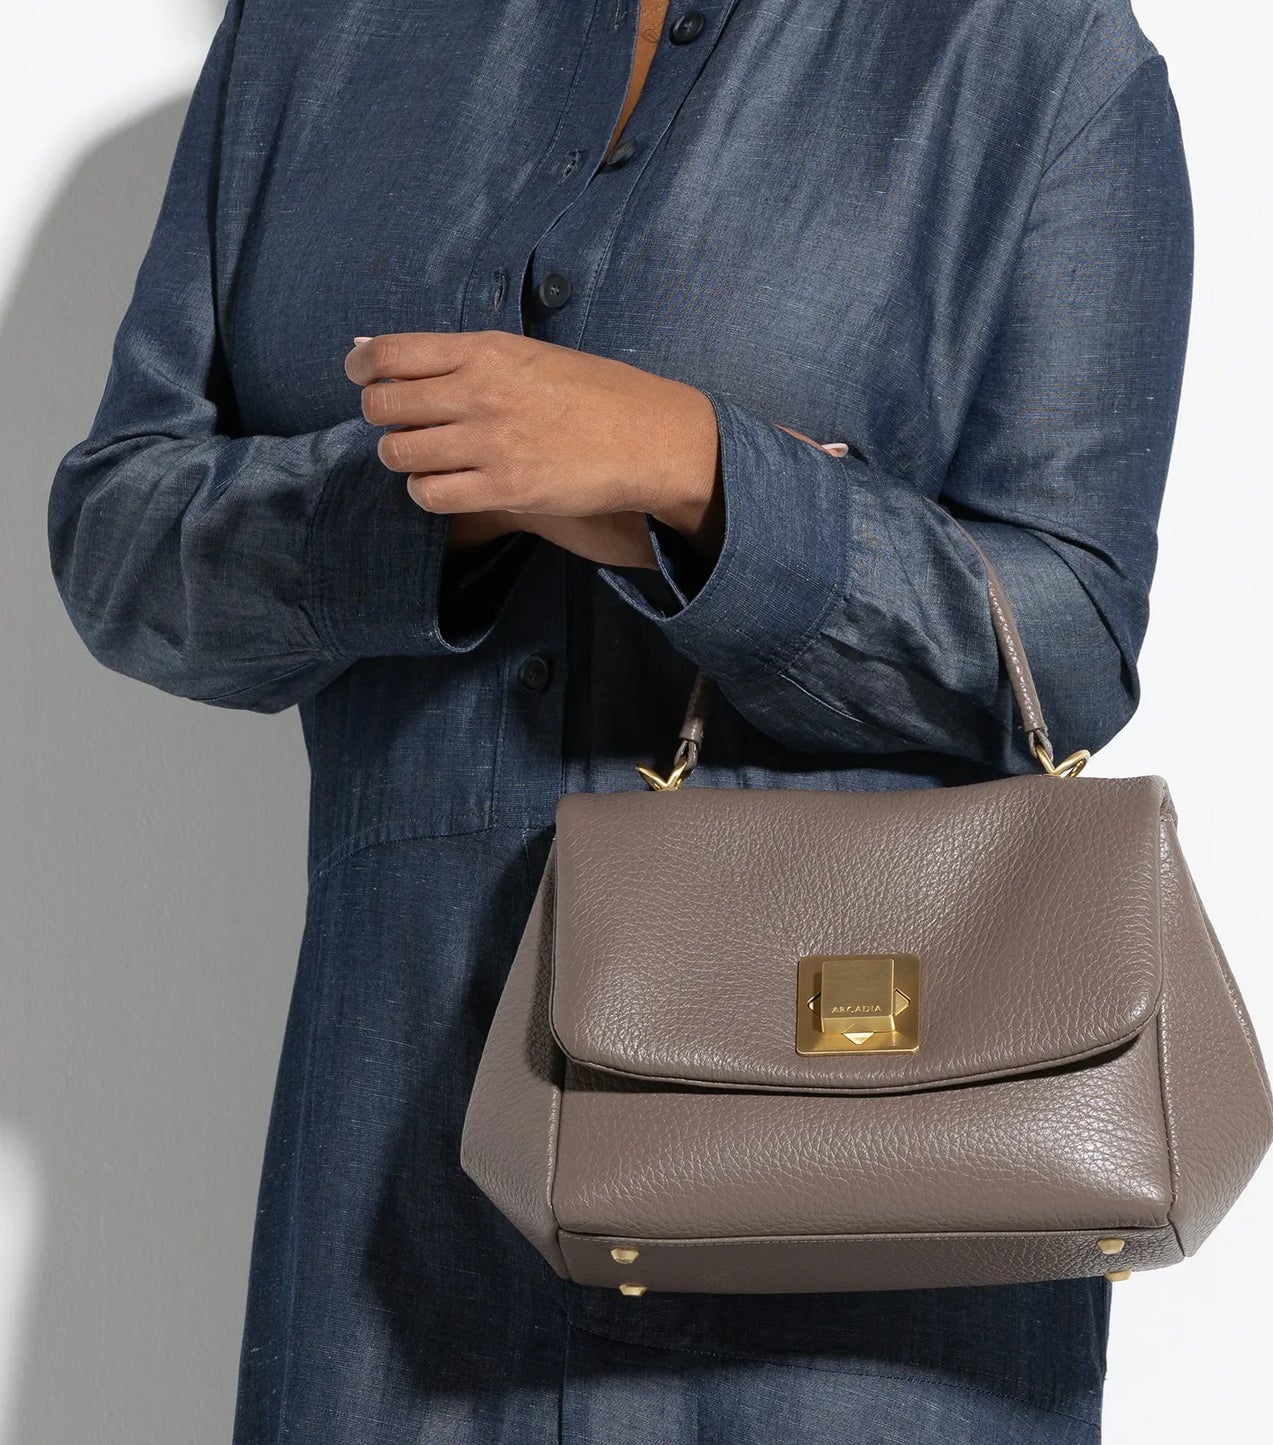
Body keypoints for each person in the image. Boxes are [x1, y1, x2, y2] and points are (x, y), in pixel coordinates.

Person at [46, 0, 1194, 1440]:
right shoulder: (309, 39)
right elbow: (120, 544)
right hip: (393, 1196)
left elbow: (1068, 644)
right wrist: (445, 498)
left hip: (862, 1192)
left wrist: (701, 478)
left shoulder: (1027, 52)